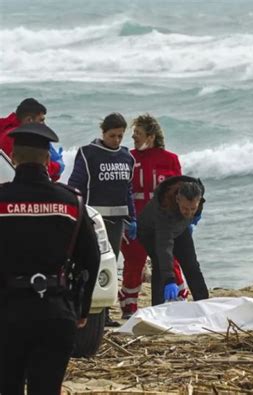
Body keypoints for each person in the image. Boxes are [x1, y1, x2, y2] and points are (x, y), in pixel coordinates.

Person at [0, 123, 100, 394]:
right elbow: (91, 259)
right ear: (47, 159)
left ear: (14, 156)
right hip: (55, 310)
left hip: (8, 311)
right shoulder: (72, 202)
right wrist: (81, 308)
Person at [68, 112, 136, 326]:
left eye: (120, 136)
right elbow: (76, 184)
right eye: (112, 135)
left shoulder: (128, 157)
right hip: (93, 221)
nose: (116, 140)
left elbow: (128, 190)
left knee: (110, 265)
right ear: (103, 132)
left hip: (116, 222)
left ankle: (104, 315)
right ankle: (84, 311)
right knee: (89, 265)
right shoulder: (89, 154)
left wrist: (132, 218)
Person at [119, 114, 189, 319]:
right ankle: (129, 308)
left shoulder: (170, 159)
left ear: (151, 136)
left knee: (170, 261)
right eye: (133, 135)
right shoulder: (127, 158)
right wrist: (126, 219)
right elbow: (121, 190)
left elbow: (181, 191)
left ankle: (178, 301)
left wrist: (185, 219)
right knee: (133, 263)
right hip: (135, 221)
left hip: (164, 222)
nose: (134, 138)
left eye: (138, 134)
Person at [138, 176, 209, 305]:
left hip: (180, 228)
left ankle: (204, 303)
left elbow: (198, 204)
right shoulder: (165, 209)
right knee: (161, 266)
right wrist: (170, 280)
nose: (189, 212)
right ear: (177, 199)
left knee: (191, 265)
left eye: (193, 209)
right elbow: (164, 248)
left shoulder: (197, 191)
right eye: (185, 209)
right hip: (151, 232)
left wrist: (197, 214)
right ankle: (158, 308)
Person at [0, 98, 64, 181]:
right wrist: (58, 166)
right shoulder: (17, 137)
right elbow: (35, 167)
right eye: (41, 120)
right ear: (29, 120)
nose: (44, 125)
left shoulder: (6, 130)